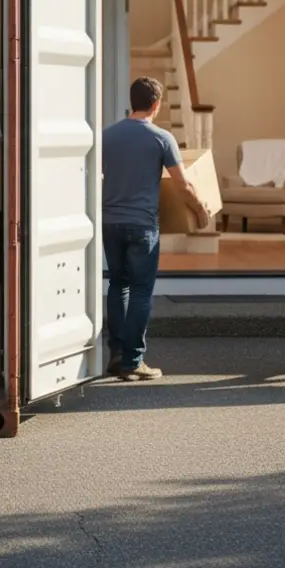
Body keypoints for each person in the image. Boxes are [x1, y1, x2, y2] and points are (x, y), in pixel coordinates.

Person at [102, 77, 211, 382]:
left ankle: (117, 354)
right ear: (156, 105)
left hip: (110, 222)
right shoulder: (161, 138)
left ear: (131, 101)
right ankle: (134, 361)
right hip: (141, 226)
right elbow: (183, 184)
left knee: (117, 285)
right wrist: (201, 209)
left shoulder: (106, 136)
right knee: (140, 291)